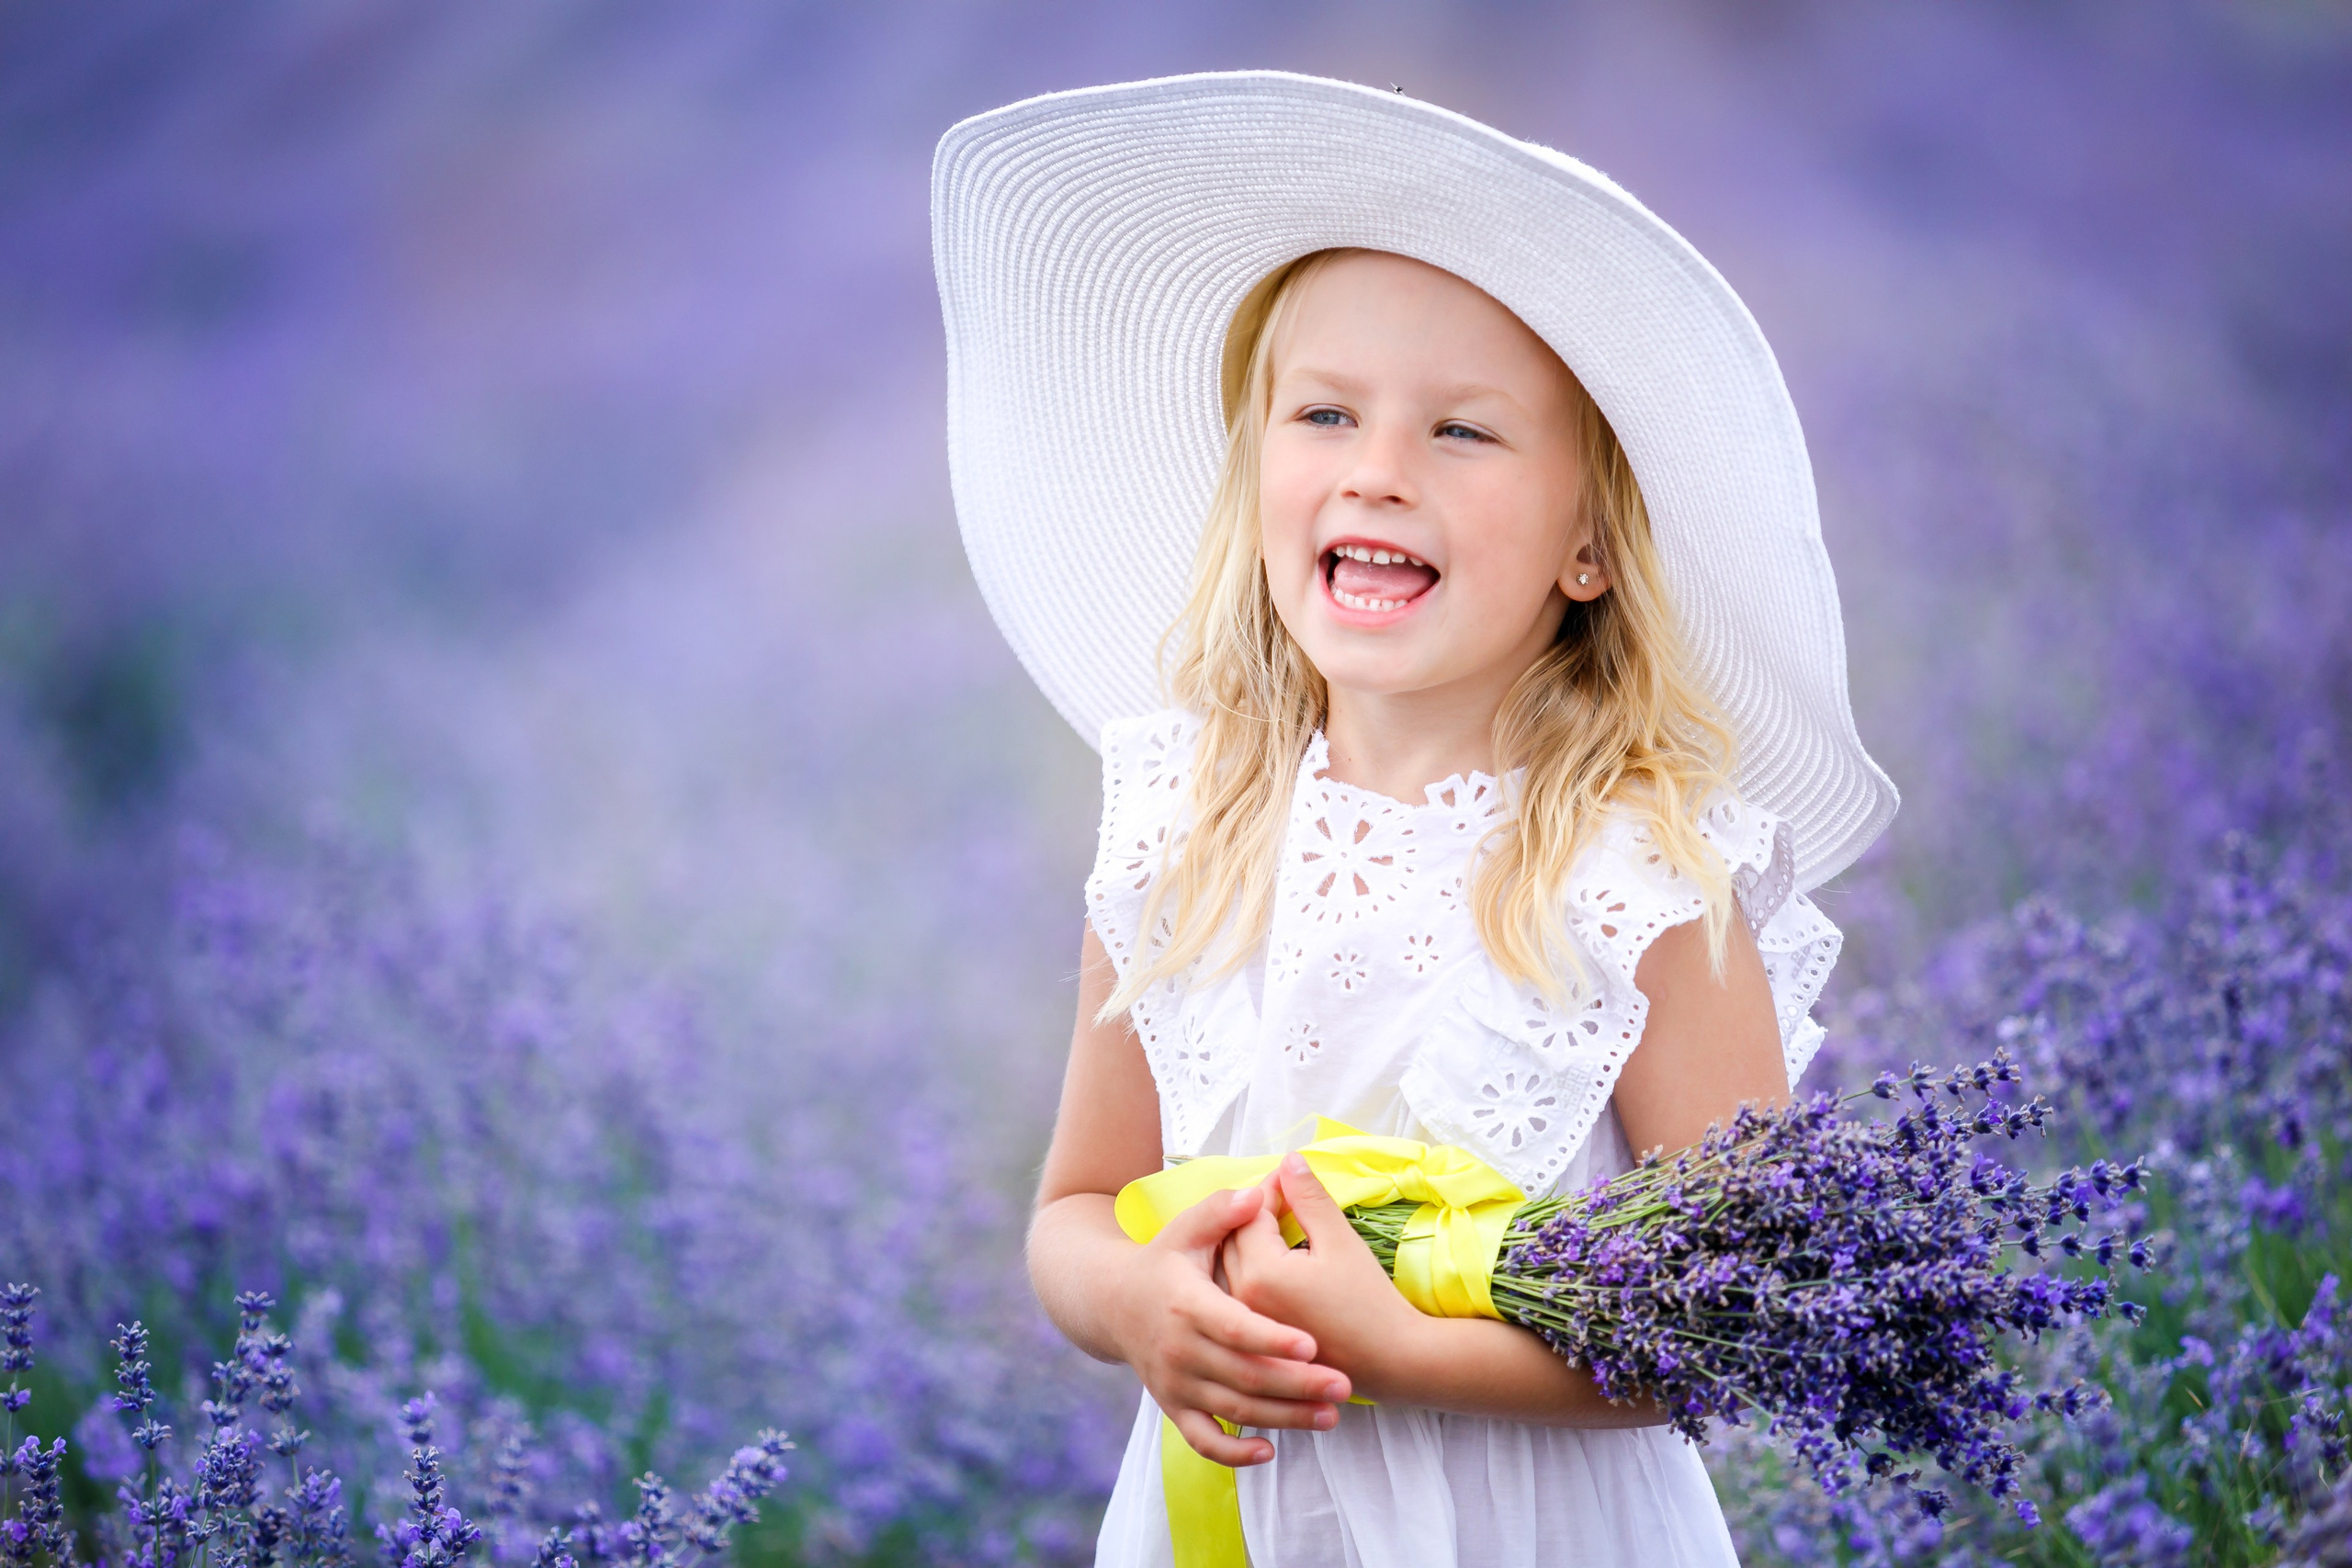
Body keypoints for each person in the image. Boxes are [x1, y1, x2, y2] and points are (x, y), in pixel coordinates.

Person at [933, 72, 1897, 1568]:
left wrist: (1399, 1348)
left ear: (1588, 543)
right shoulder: (1181, 826)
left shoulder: (1645, 882)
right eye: (1323, 413)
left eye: (1462, 432)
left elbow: (1735, 1322)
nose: (1376, 470)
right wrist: (1139, 1306)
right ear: (1257, 470)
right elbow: (1077, 1204)